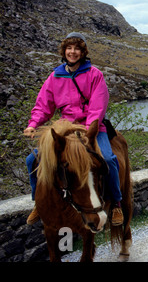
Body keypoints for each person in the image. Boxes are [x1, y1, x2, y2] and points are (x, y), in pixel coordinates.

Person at [24, 32, 124, 226]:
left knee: (109, 160)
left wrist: (89, 131)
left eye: (77, 48)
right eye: (69, 48)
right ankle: (38, 203)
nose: (72, 52)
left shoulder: (95, 74)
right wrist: (32, 124)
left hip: (92, 128)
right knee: (32, 161)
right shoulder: (55, 76)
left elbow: (98, 105)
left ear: (82, 52)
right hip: (66, 128)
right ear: (64, 51)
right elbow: (44, 105)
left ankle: (117, 203)